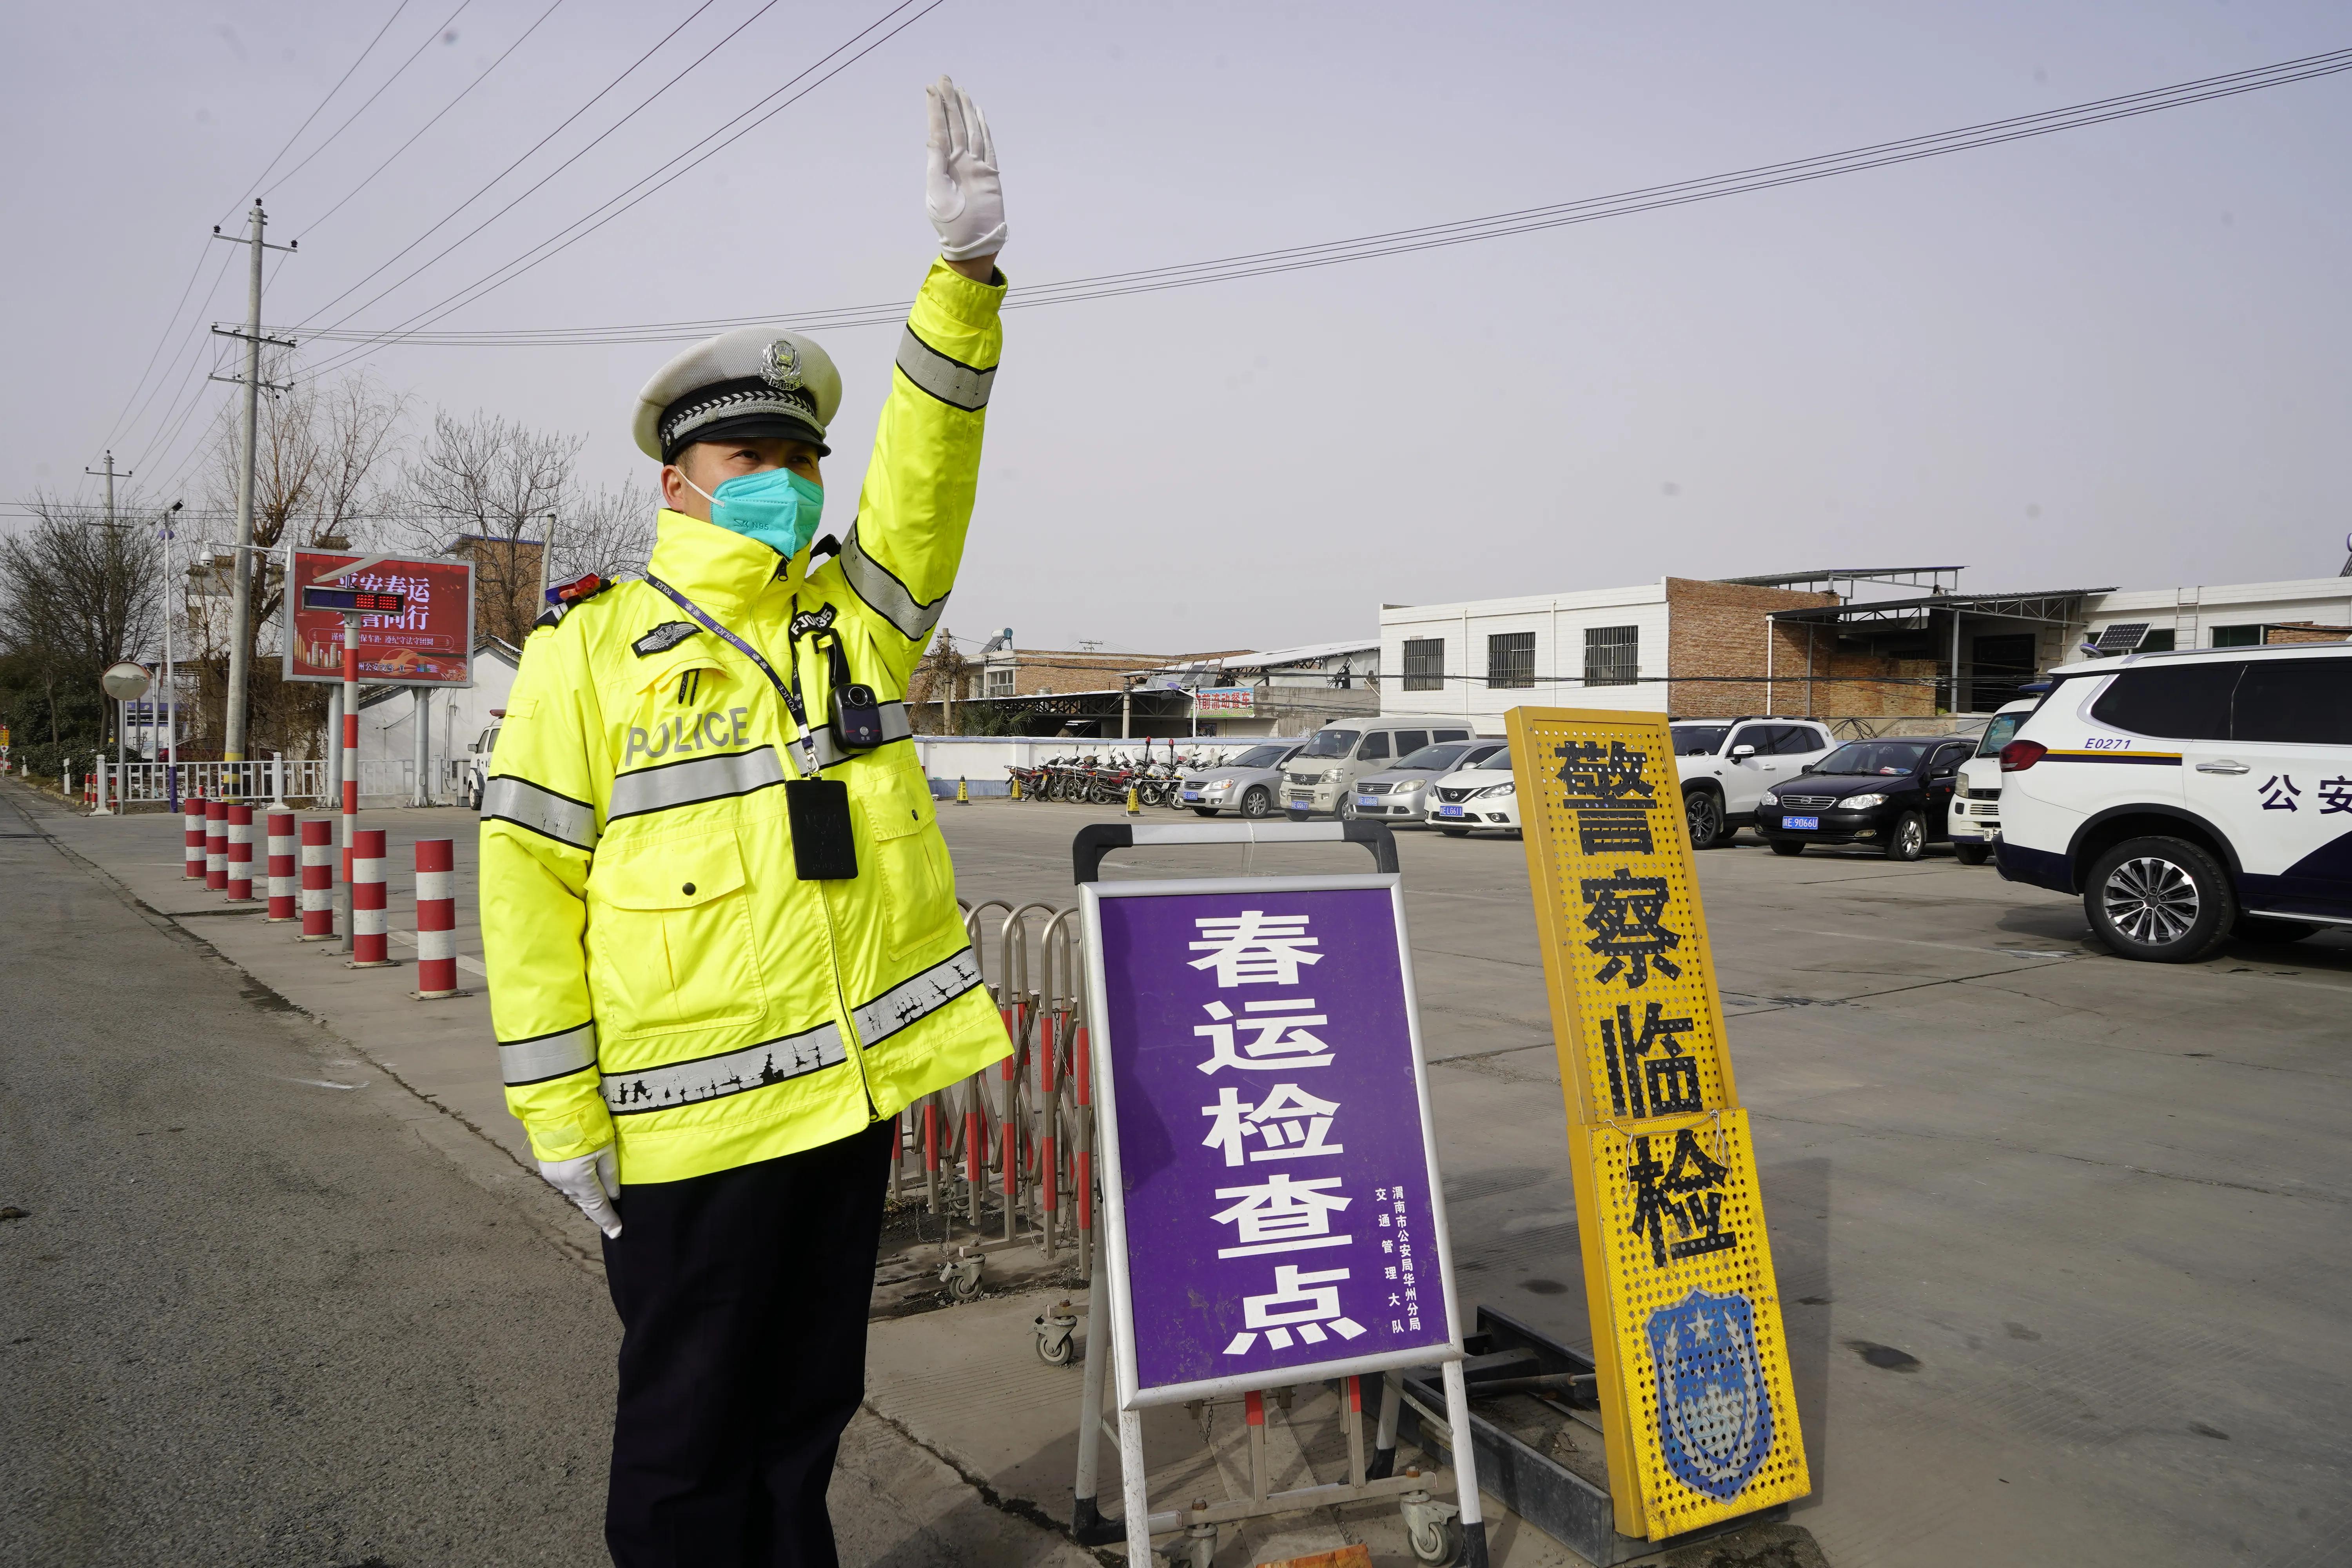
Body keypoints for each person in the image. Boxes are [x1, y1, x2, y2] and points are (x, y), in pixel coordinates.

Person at [477, 76, 1011, 1567]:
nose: (780, 480)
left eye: (798, 458)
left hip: (843, 1106)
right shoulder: (587, 655)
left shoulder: (860, 620)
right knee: (686, 1437)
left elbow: (927, 475)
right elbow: (526, 891)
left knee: (807, 1413)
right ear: (677, 481)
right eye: (744, 460)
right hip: (685, 1137)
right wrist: (560, 1118)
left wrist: (962, 287)